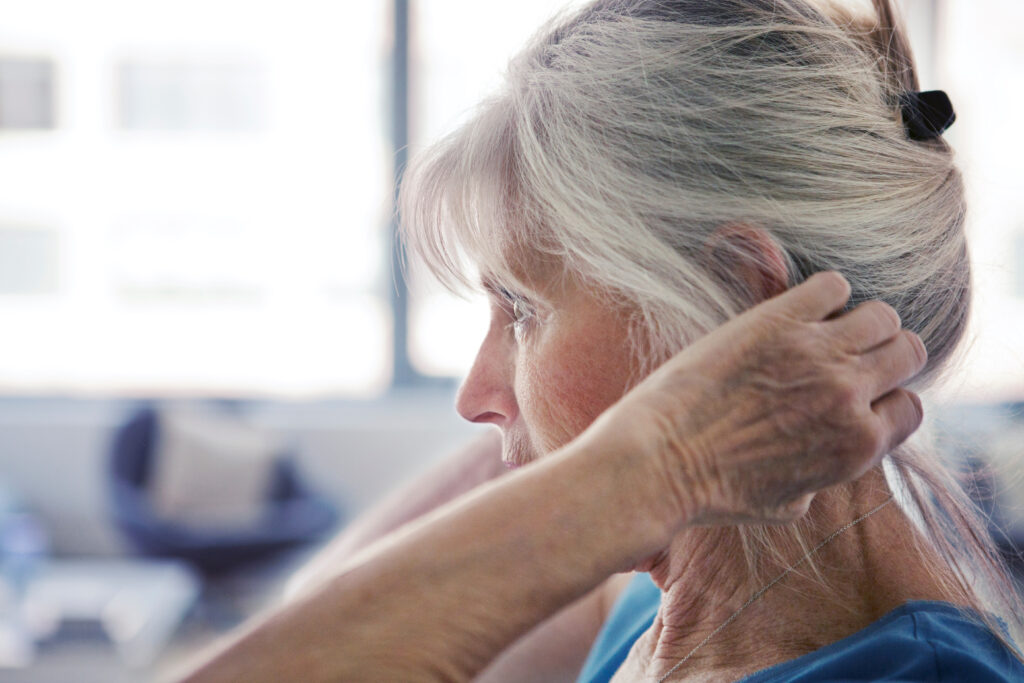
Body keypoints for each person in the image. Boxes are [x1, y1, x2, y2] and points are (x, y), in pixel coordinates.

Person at [183, 0, 1024, 681]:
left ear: (742, 302)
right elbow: (321, 617)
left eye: (522, 308)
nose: (474, 395)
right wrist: (633, 467)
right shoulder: (652, 607)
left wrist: (651, 467)